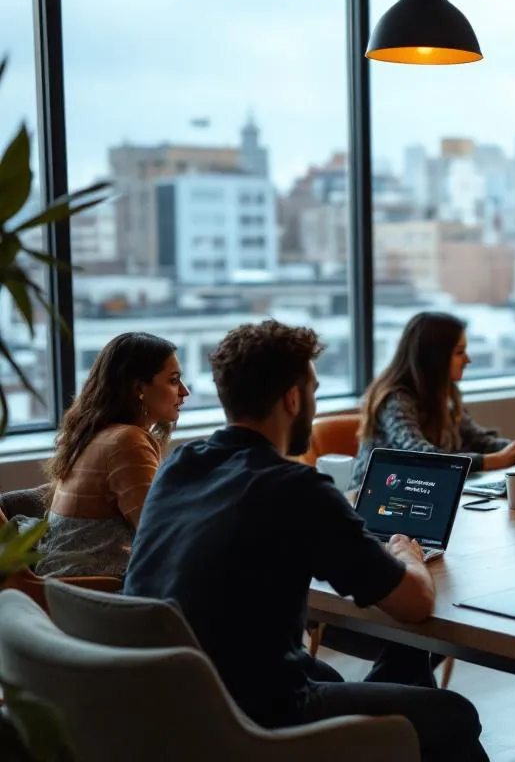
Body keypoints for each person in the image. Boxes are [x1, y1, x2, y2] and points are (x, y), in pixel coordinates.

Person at [124, 321, 485, 762]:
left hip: (172, 708)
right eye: (312, 390)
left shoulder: (180, 465)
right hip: (261, 717)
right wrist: (406, 553)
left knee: (398, 659)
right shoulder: (296, 488)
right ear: (293, 398)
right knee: (454, 714)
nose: (313, 404)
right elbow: (414, 604)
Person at [31, 332, 188, 578]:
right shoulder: (127, 441)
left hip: (64, 589)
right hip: (94, 595)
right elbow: (159, 536)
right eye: (174, 380)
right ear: (138, 388)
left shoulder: (95, 435)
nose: (185, 392)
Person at [352, 312, 515, 485]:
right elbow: (421, 456)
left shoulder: (444, 394)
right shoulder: (395, 398)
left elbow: (477, 440)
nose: (468, 360)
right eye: (459, 352)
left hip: (421, 490)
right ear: (435, 358)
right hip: (375, 497)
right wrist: (494, 460)